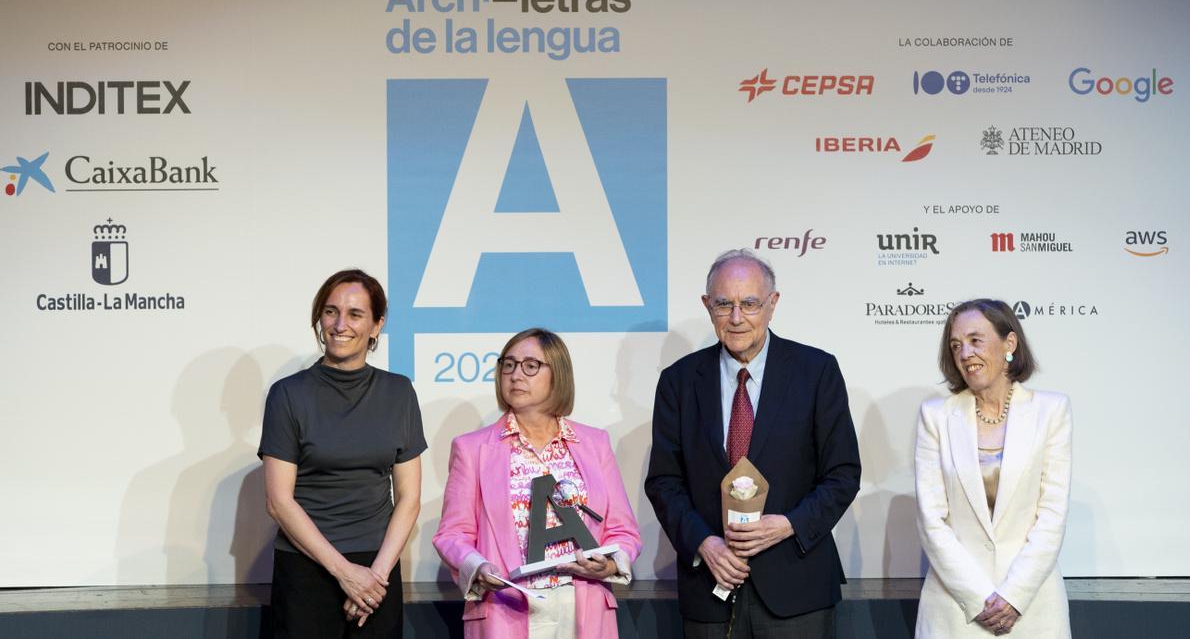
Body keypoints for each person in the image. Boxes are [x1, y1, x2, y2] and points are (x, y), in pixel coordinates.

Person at [645, 249, 861, 638]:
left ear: (772, 304)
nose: (737, 317)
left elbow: (842, 474)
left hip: (797, 589)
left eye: (749, 303)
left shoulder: (816, 371)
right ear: (707, 306)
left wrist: (789, 524)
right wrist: (704, 544)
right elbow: (664, 481)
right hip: (709, 590)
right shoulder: (678, 381)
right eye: (724, 304)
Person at [433, 328, 641, 639]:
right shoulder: (472, 448)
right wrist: (477, 566)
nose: (516, 375)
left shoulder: (595, 443)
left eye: (531, 365)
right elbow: (453, 534)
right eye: (509, 364)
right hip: (507, 606)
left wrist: (610, 566)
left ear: (557, 374)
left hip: (582, 605)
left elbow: (623, 530)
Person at [259, 269, 426, 638]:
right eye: (331, 311)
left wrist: (374, 578)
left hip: (378, 567)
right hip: (307, 566)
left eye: (355, 314)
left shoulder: (399, 393)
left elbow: (410, 498)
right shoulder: (288, 395)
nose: (340, 324)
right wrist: (345, 573)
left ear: (376, 325)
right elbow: (278, 501)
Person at [915, 299, 1072, 637]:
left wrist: (1013, 595)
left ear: (1009, 343)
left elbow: (1052, 516)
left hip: (1032, 608)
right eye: (956, 345)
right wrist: (978, 597)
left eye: (976, 340)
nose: (965, 353)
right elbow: (932, 521)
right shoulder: (935, 417)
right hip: (956, 610)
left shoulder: (1051, 411)